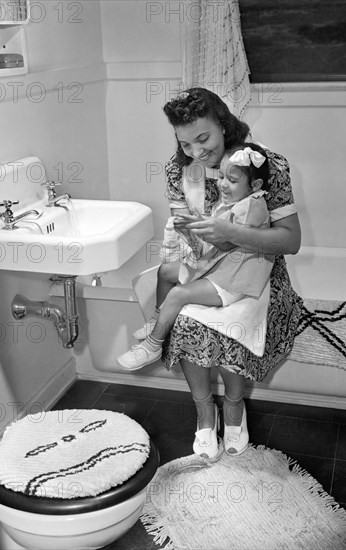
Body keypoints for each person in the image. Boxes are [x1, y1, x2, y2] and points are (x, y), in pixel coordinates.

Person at [140, 88, 303, 460]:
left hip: (257, 273)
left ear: (224, 125)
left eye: (203, 139)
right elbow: (181, 233)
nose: (196, 152)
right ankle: (203, 409)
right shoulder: (178, 169)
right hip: (201, 269)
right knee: (181, 318)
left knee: (228, 322)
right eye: (186, 143)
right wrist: (192, 244)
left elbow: (290, 241)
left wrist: (230, 233)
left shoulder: (265, 165)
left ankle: (233, 405)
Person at [117, 143, 273, 376]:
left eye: (232, 180)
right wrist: (194, 223)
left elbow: (227, 242)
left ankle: (152, 345)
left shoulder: (252, 207)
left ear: (256, 185)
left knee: (178, 294)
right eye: (221, 176)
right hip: (221, 267)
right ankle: (159, 317)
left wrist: (197, 226)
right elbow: (216, 237)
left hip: (234, 280)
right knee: (166, 271)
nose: (222, 184)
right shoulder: (231, 202)